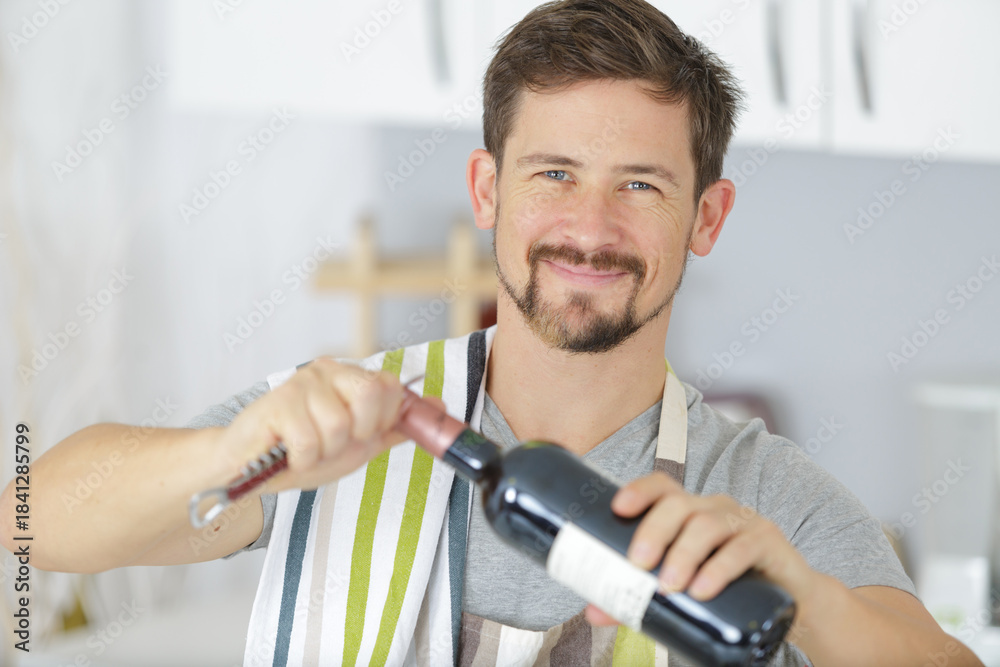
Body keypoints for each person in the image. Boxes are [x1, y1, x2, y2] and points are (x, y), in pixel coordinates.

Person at [1, 0, 983, 665]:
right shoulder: (342, 420)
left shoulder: (755, 493)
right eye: (553, 173)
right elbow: (26, 521)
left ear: (707, 217)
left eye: (639, 185)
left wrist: (802, 596)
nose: (589, 229)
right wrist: (224, 452)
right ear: (488, 191)